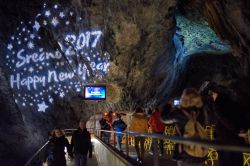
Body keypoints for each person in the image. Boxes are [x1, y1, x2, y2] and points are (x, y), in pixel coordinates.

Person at [162, 88, 207, 166]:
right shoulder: (201, 111)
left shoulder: (179, 113)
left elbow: (164, 118)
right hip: (200, 150)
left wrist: (168, 105)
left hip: (184, 152)